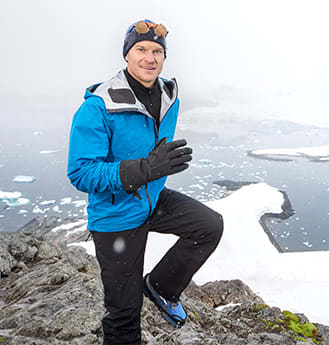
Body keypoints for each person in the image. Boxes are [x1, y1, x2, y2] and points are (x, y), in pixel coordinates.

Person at [67, 19, 224, 345]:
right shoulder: (99, 106)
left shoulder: (169, 95)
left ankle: (161, 288)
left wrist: (154, 172)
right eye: (141, 50)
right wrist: (143, 170)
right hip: (115, 217)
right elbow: (80, 172)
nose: (149, 58)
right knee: (125, 314)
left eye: (157, 51)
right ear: (127, 55)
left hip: (152, 200)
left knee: (209, 226)